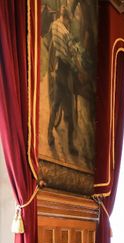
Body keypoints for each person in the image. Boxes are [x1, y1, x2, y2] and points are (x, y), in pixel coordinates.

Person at [47, 6, 79, 156]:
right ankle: (71, 145)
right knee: (71, 111)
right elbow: (73, 55)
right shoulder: (66, 33)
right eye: (69, 21)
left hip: (58, 70)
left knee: (55, 105)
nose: (69, 23)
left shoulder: (54, 26)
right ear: (66, 18)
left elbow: (52, 40)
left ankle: (49, 135)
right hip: (66, 74)